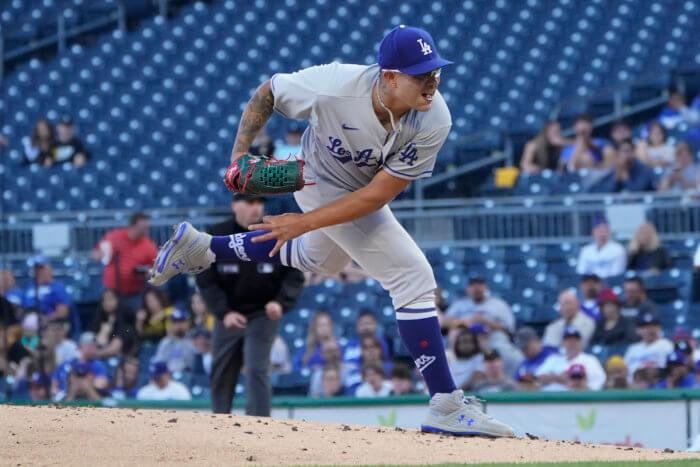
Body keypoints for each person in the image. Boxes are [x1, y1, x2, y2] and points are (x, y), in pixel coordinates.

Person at [148, 25, 514, 437]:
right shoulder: (334, 87)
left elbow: (377, 196)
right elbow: (267, 91)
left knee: (321, 257)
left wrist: (302, 224)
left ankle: (204, 248)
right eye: (420, 74)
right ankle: (445, 404)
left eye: (436, 72)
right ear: (389, 76)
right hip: (315, 177)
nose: (432, 82)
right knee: (412, 276)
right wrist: (238, 156)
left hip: (360, 190)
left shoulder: (435, 118)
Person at [195, 193, 304, 416]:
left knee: (257, 368)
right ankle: (219, 420)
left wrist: (280, 303)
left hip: (263, 312)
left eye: (259, 203)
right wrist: (223, 312)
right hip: (228, 313)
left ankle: (259, 424)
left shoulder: (274, 232)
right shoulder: (217, 234)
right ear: (235, 205)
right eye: (250, 202)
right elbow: (205, 279)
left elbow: (294, 274)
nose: (256, 208)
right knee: (222, 370)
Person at [444, 277, 521, 375]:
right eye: (472, 285)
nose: (476, 288)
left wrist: (487, 322)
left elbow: (509, 330)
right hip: (467, 340)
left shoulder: (498, 304)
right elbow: (443, 323)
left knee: (509, 354)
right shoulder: (460, 304)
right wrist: (467, 322)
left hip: (493, 339)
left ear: (486, 288)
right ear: (467, 289)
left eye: (479, 285)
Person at [92, 212, 158, 310]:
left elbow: (156, 271)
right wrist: (99, 255)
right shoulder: (113, 237)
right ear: (132, 226)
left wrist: (146, 273)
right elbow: (96, 254)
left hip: (135, 293)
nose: (145, 230)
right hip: (111, 291)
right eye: (143, 227)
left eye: (147, 227)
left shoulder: (149, 246)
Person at [537, 327, 606, 391]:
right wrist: (558, 378)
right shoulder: (553, 359)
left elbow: (599, 384)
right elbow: (537, 379)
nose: (572, 343)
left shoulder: (590, 360)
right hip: (550, 401)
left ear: (581, 342)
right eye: (569, 340)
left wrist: (574, 381)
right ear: (563, 343)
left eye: (575, 340)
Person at [52, 332, 109, 401]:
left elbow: (100, 386)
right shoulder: (67, 364)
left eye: (95, 346)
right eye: (89, 346)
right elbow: (53, 388)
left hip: (90, 400)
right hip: (65, 398)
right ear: (80, 347)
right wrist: (71, 386)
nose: (93, 349)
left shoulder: (98, 366)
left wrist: (86, 385)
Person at [22, 255, 75, 330]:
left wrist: (47, 319)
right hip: (27, 325)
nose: (38, 271)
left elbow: (63, 312)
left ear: (49, 269)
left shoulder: (57, 287)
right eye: (36, 268)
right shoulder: (30, 288)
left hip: (49, 325)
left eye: (41, 268)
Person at [90, 289, 138, 358]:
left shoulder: (125, 327)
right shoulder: (99, 322)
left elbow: (113, 349)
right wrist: (103, 332)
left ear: (117, 300)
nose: (107, 303)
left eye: (110, 299)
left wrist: (93, 355)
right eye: (104, 300)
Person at [623, 312, 673, 378]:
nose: (650, 330)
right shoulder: (632, 348)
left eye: (653, 326)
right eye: (646, 327)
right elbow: (624, 370)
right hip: (631, 385)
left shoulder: (666, 345)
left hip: (654, 384)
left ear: (660, 328)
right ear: (638, 330)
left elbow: (668, 370)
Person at [153, 309, 196, 373]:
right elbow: (159, 362)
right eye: (175, 322)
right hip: (169, 377)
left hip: (189, 375)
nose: (178, 325)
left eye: (181, 321)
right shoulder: (165, 342)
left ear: (188, 323)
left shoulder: (194, 340)